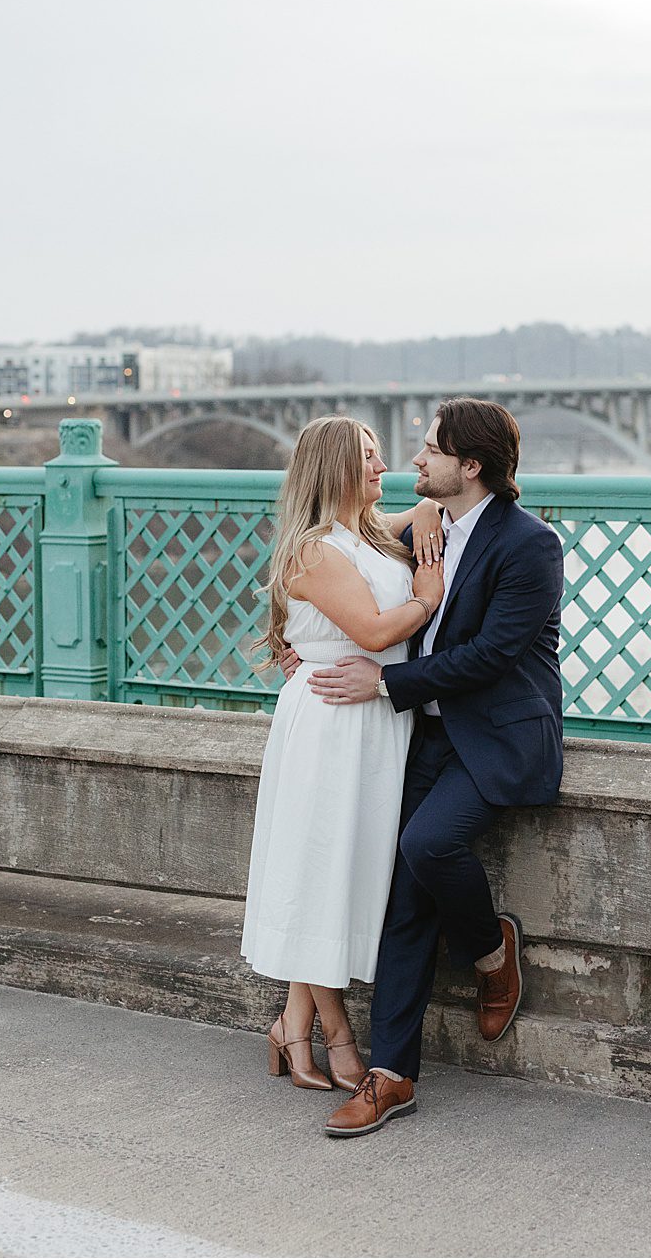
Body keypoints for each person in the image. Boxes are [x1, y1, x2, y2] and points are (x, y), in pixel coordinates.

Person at [306, 398, 564, 1139]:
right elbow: (330, 558)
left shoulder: (529, 545)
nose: (413, 461)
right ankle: (392, 1076)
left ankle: (489, 948)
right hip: (424, 736)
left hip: (498, 739)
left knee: (425, 845)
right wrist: (303, 647)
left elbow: (491, 656)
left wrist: (385, 685)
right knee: (404, 898)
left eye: (428, 452)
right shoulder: (422, 529)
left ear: (470, 466)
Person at [243, 416, 443, 1094]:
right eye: (366, 459)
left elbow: (420, 509)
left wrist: (426, 505)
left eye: (383, 456)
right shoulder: (315, 549)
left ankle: (291, 1024)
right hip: (331, 719)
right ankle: (333, 1035)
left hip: (374, 722)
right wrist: (425, 600)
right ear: (332, 468)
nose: (381, 466)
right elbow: (372, 628)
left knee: (342, 873)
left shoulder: (370, 534)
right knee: (322, 873)